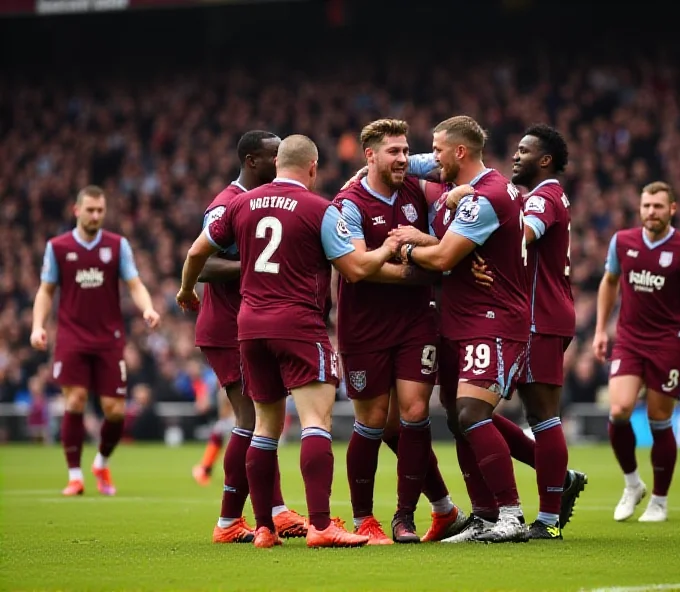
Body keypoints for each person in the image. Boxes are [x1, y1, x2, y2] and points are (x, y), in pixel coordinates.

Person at [176, 134, 396, 549]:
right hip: (297, 324)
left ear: (278, 165)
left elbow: (195, 254)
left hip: (249, 327)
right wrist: (389, 247)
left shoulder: (239, 204)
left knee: (263, 426)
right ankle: (320, 525)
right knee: (316, 421)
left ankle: (263, 528)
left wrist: (186, 291)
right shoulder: (320, 209)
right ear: (312, 168)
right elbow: (355, 268)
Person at [396, 115, 530, 543]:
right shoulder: (470, 190)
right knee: (457, 417)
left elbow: (441, 260)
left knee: (472, 412)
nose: (429, 159)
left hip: (491, 320)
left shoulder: (484, 199)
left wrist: (408, 244)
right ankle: (485, 516)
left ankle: (512, 516)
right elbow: (418, 166)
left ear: (460, 152)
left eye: (436, 150)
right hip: (463, 317)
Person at [333, 119, 466, 544]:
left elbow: (452, 162)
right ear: (369, 155)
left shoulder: (416, 185)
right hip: (364, 326)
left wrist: (460, 197)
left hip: (415, 322)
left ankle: (405, 517)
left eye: (407, 151)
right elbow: (357, 269)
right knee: (373, 421)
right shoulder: (348, 204)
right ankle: (363, 519)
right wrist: (418, 270)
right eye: (393, 152)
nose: (403, 159)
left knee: (414, 412)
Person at [190, 130, 306, 543]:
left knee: (265, 419)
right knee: (251, 419)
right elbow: (202, 264)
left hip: (249, 323)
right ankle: (227, 521)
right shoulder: (226, 204)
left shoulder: (262, 202)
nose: (282, 162)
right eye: (275, 156)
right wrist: (252, 266)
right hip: (227, 326)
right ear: (253, 160)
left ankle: (274, 510)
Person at [593, 181, 680, 523]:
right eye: (647, 205)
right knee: (619, 409)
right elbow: (608, 281)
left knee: (658, 420)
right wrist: (599, 330)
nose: (651, 212)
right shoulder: (622, 242)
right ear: (640, 208)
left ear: (672, 209)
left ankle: (660, 501)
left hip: (668, 343)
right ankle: (633, 484)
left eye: (658, 206)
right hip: (629, 339)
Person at [30, 184, 161, 496]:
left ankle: (101, 462)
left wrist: (149, 308)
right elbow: (46, 291)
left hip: (108, 338)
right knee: (74, 401)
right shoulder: (58, 247)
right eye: (90, 210)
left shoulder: (117, 246)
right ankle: (75, 475)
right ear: (77, 211)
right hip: (71, 337)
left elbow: (134, 283)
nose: (95, 215)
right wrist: (38, 326)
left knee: (115, 410)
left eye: (100, 210)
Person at [504, 124, 587, 539]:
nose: (514, 156)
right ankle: (562, 476)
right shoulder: (537, 195)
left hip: (540, 317)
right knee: (471, 409)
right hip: (530, 316)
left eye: (523, 150)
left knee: (541, 416)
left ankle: (549, 520)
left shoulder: (545, 196)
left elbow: (524, 232)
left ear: (545, 160)